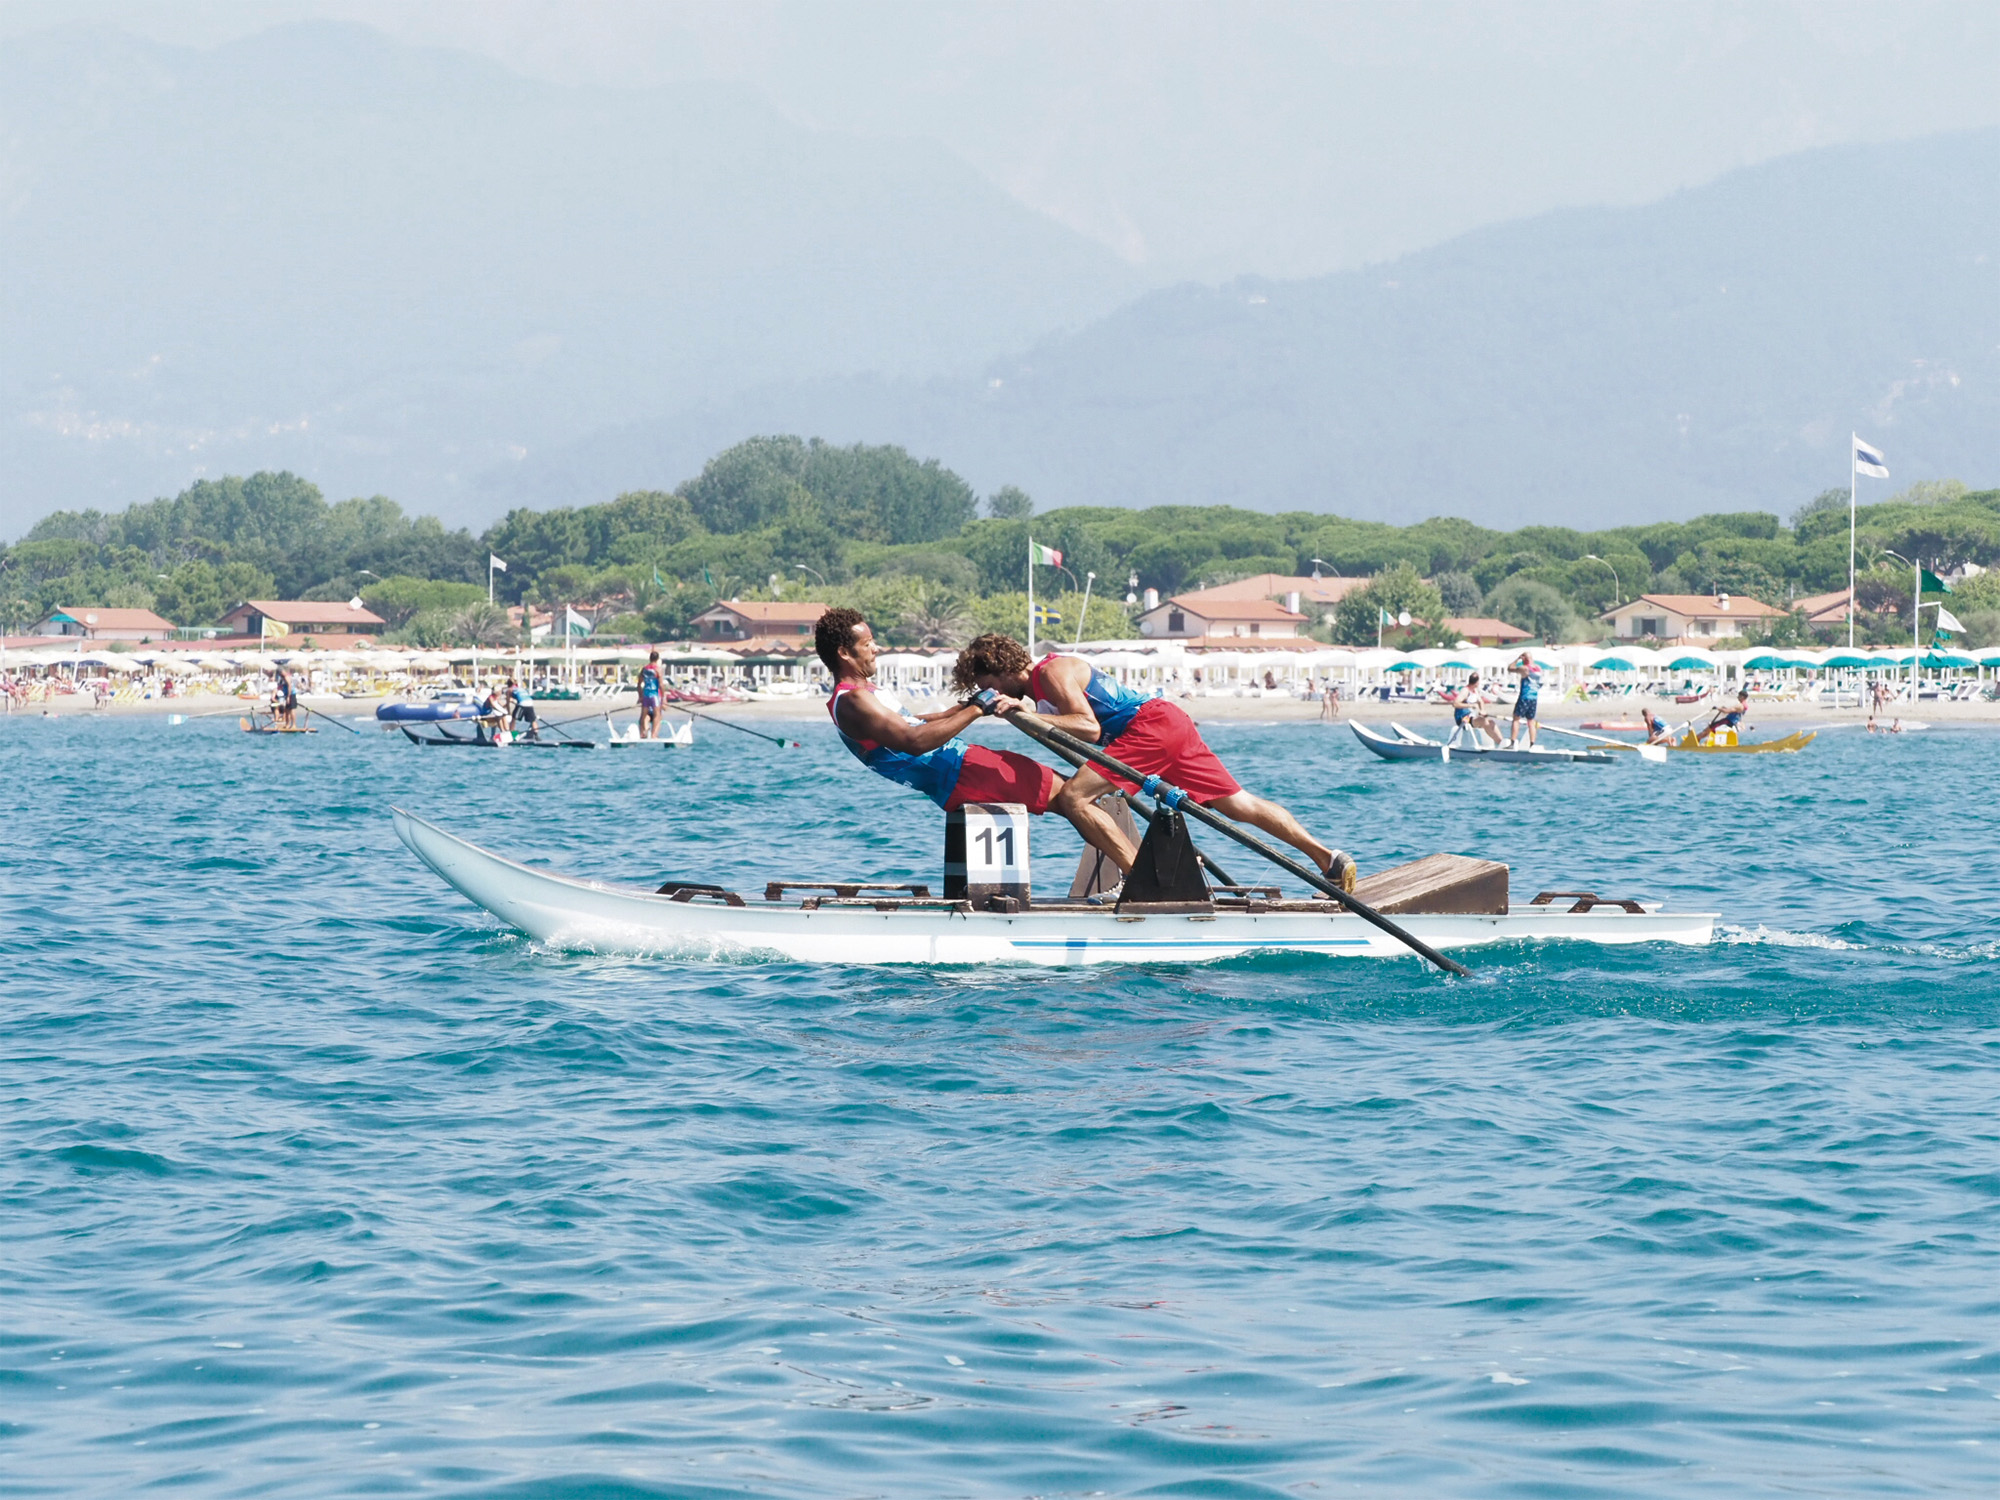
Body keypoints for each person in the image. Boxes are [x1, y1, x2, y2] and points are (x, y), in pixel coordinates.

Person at [952, 633, 1357, 894]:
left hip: (1148, 729)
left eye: (989, 686)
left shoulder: (1050, 673)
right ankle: (1329, 859)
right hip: (1167, 722)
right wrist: (1021, 714)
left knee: (1074, 798)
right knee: (1238, 804)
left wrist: (1030, 714)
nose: (991, 693)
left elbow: (1088, 728)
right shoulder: (1041, 686)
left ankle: (1140, 878)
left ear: (1002, 669)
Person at [814, 609, 1137, 882]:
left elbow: (914, 723)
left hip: (960, 772)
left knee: (1072, 793)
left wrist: (964, 707)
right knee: (1072, 798)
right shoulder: (855, 700)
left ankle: (1136, 872)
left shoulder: (862, 693)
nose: (876, 648)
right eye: (868, 644)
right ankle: (1140, 878)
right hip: (963, 772)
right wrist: (977, 710)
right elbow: (914, 742)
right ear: (844, 652)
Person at [1447, 673, 1503, 748]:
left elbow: (1480, 701)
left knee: (1491, 722)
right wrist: (1471, 705)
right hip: (1463, 719)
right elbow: (1455, 704)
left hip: (1472, 717)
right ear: (1477, 682)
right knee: (1484, 721)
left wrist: (1482, 710)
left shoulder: (1474, 690)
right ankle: (1499, 742)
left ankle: (1501, 743)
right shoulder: (1465, 691)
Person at [1506, 653, 1542, 748]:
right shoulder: (1538, 668)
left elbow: (1510, 668)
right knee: (1531, 721)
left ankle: (1512, 742)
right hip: (1534, 698)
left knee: (1516, 719)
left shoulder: (1525, 668)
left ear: (1524, 659)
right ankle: (1532, 743)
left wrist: (1517, 659)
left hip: (1525, 696)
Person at [636, 650, 665, 740]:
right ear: (657, 659)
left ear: (650, 658)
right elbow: (660, 685)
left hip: (646, 695)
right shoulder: (658, 669)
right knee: (657, 715)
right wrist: (663, 697)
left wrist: (640, 696)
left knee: (643, 715)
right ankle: (654, 735)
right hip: (654, 695)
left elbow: (639, 684)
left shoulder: (644, 669)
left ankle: (642, 733)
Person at [271, 664, 299, 730]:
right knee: (286, 711)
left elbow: (290, 686)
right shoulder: (283, 677)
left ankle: (294, 725)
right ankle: (287, 724)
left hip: (291, 695)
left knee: (292, 710)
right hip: (286, 695)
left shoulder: (286, 677)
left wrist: (288, 696)